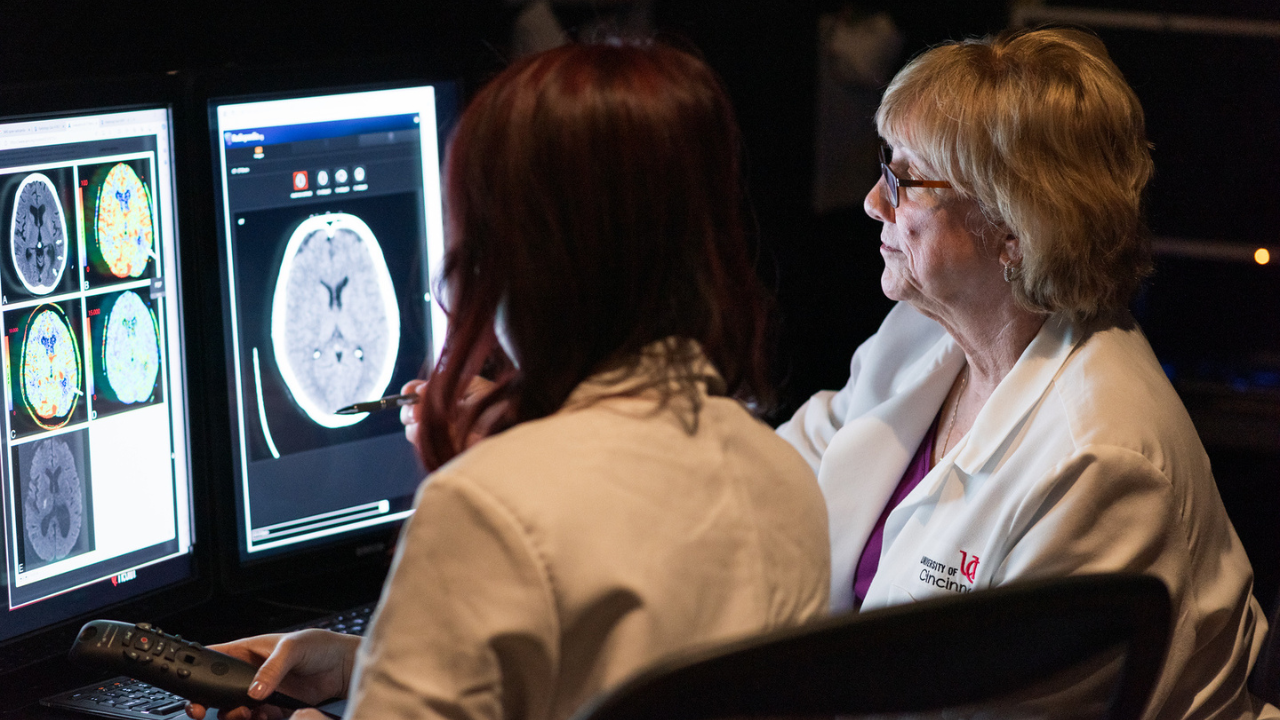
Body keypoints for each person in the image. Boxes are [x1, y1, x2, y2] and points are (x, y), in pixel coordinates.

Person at [189, 40, 829, 720]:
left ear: (524, 257)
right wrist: (366, 660)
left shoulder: (486, 510)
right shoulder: (784, 477)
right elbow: (594, 675)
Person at [777, 27, 1279, 720]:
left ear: (1014, 228)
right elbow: (779, 477)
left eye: (904, 178)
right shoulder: (929, 331)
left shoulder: (1100, 461)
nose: (872, 201)